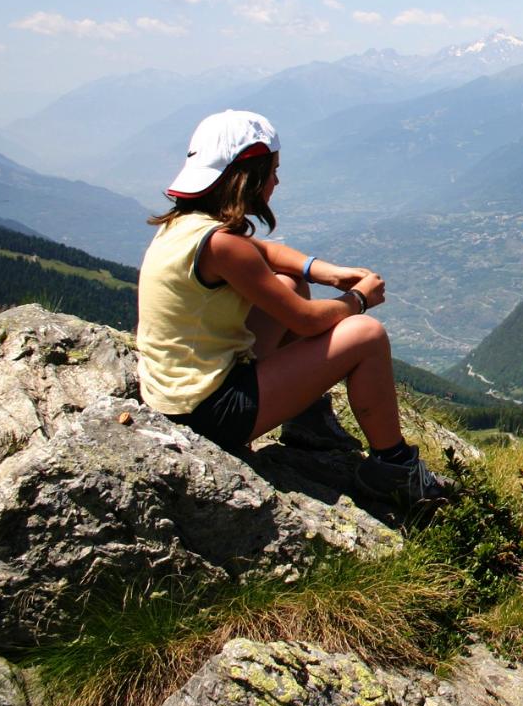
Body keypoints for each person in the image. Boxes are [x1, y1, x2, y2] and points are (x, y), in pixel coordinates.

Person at [136, 109, 447, 510]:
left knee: (291, 282)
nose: (277, 181)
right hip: (210, 413)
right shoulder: (223, 246)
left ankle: (308, 418)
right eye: (272, 170)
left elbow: (272, 254)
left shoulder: (188, 226)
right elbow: (304, 319)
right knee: (365, 336)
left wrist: (329, 274)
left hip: (180, 397)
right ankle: (395, 469)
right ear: (246, 176)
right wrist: (359, 299)